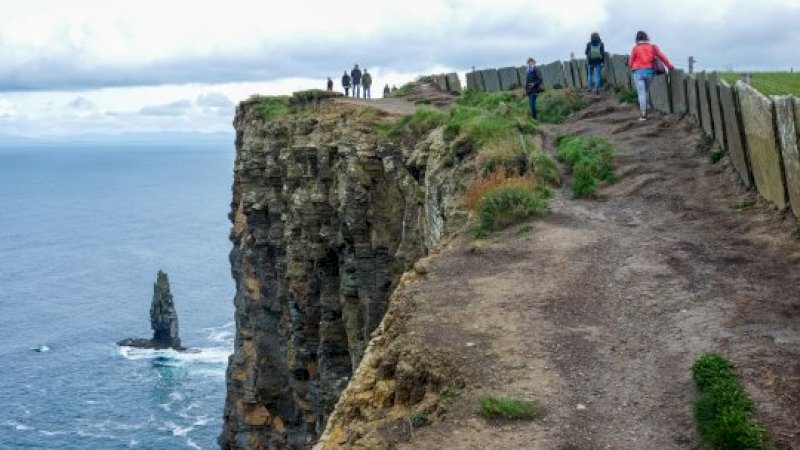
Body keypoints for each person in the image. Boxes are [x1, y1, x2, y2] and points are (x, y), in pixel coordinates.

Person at [629, 31, 674, 122]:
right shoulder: (653, 47)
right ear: (646, 37)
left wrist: (631, 67)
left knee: (641, 93)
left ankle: (643, 114)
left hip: (638, 72)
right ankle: (647, 106)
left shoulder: (635, 48)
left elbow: (630, 62)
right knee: (646, 90)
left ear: (637, 39)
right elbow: (662, 57)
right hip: (650, 72)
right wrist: (670, 66)